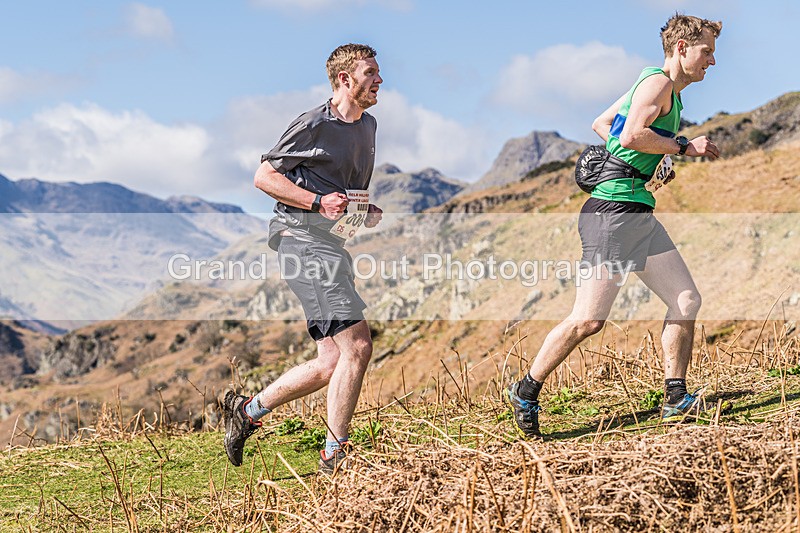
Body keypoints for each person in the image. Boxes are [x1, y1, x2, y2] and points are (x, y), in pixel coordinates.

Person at [505, 14, 722, 438]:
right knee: (588, 320)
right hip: (612, 215)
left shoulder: (660, 88)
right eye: (706, 51)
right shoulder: (657, 84)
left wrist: (649, 162)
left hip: (636, 210)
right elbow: (628, 137)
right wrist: (681, 146)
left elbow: (603, 125)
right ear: (681, 48)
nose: (712, 61)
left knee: (686, 299)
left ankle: (675, 397)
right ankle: (525, 390)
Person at [223, 43, 384, 473]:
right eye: (370, 73)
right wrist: (316, 203)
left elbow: (342, 193)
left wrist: (360, 211)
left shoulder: (367, 126)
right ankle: (334, 457)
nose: (379, 80)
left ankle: (247, 411)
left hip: (329, 245)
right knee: (359, 347)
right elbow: (264, 176)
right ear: (344, 80)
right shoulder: (314, 123)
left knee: (331, 361)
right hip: (300, 241)